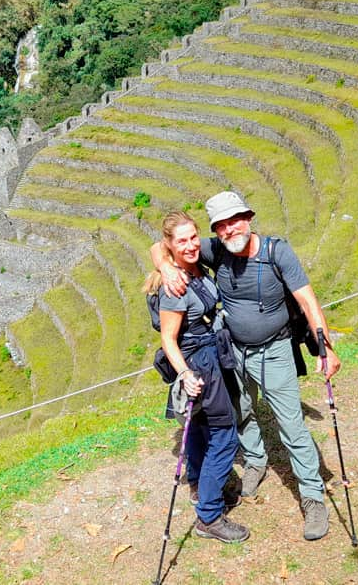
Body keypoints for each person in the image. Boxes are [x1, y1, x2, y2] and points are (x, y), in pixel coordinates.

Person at [152, 191, 341, 541]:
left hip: (274, 351)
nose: (228, 229)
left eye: (234, 220)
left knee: (291, 424)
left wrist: (325, 349)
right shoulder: (217, 249)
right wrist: (164, 266)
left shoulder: (276, 252)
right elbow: (166, 244)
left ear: (249, 217)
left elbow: (307, 299)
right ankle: (255, 459)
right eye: (220, 225)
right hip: (231, 351)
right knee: (240, 411)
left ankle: (313, 497)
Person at [144, 210, 248, 543]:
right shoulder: (174, 287)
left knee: (201, 427)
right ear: (169, 245)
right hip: (199, 361)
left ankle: (199, 484)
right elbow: (168, 339)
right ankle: (209, 516)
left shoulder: (191, 266)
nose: (190, 245)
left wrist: (165, 262)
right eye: (182, 241)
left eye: (193, 238)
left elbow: (155, 248)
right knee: (224, 433)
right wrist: (186, 373)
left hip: (209, 355)